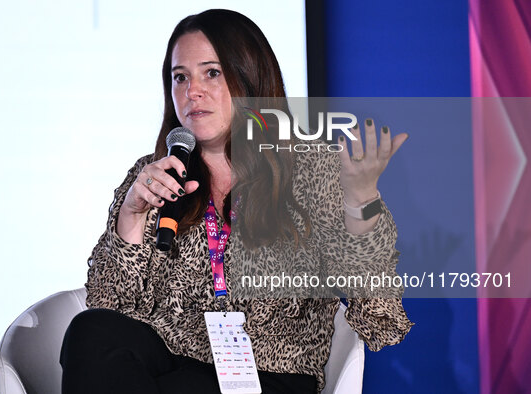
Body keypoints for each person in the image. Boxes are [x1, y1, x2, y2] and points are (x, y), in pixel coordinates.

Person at [60, 9, 413, 394]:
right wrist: (130, 217)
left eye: (212, 73)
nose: (192, 91)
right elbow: (108, 304)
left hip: (272, 374)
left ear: (250, 77)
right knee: (90, 329)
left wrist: (360, 205)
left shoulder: (313, 171)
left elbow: (382, 320)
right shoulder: (156, 175)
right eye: (180, 77)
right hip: (174, 355)